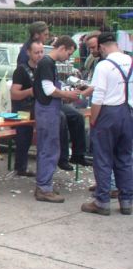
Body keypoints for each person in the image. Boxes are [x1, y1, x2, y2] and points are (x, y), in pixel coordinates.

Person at [80, 31, 133, 215]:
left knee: (103, 158)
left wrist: (93, 120)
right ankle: (126, 202)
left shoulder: (104, 65)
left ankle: (102, 201)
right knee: (125, 158)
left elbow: (98, 97)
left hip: (108, 113)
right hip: (128, 112)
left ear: (102, 47)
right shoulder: (130, 61)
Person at [32, 36, 81, 203]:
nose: (68, 57)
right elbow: (48, 89)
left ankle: (44, 185)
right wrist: (67, 94)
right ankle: (44, 188)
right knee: (49, 148)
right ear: (62, 48)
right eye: (69, 53)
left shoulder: (48, 63)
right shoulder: (47, 63)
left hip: (48, 109)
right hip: (47, 110)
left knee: (48, 147)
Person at [10, 40, 45, 177]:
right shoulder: (21, 70)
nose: (40, 55)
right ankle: (21, 167)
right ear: (28, 53)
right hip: (23, 109)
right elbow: (14, 94)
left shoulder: (44, 68)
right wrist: (30, 92)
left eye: (42, 52)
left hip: (38, 107)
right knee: (24, 136)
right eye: (36, 52)